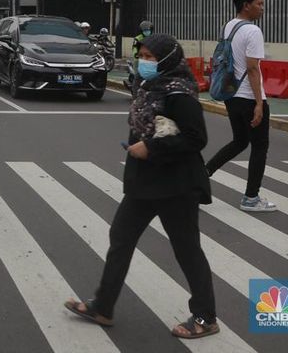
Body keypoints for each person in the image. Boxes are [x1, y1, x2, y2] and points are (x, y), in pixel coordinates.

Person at [65, 34, 219, 339]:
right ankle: (103, 306)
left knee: (187, 250)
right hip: (145, 182)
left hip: (176, 185)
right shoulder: (150, 86)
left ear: (166, 59)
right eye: (143, 55)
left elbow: (195, 137)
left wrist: (151, 148)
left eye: (150, 56)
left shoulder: (179, 93)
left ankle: (206, 317)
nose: (144, 61)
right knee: (120, 237)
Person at [205, 0, 276, 212]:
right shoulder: (253, 31)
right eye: (259, 3)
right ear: (247, 5)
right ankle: (251, 198)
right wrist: (258, 103)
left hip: (230, 95)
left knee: (240, 141)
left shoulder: (229, 26)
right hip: (247, 96)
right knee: (259, 146)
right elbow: (253, 68)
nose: (262, 8)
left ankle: (203, 173)